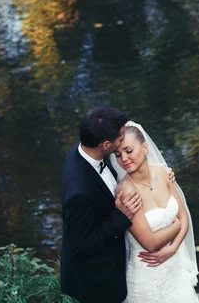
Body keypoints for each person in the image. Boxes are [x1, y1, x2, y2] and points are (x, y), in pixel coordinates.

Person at [60, 107, 179, 303]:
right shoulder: (79, 192)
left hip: (120, 264)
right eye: (121, 137)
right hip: (96, 280)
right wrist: (120, 216)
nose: (123, 139)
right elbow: (81, 245)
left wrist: (159, 176)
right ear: (106, 145)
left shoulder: (84, 149)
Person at [111, 121, 199, 303]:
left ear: (145, 148)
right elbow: (150, 242)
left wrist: (173, 248)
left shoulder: (163, 173)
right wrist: (176, 225)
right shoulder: (126, 191)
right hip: (148, 278)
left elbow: (185, 217)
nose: (124, 159)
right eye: (118, 155)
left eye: (129, 151)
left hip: (176, 270)